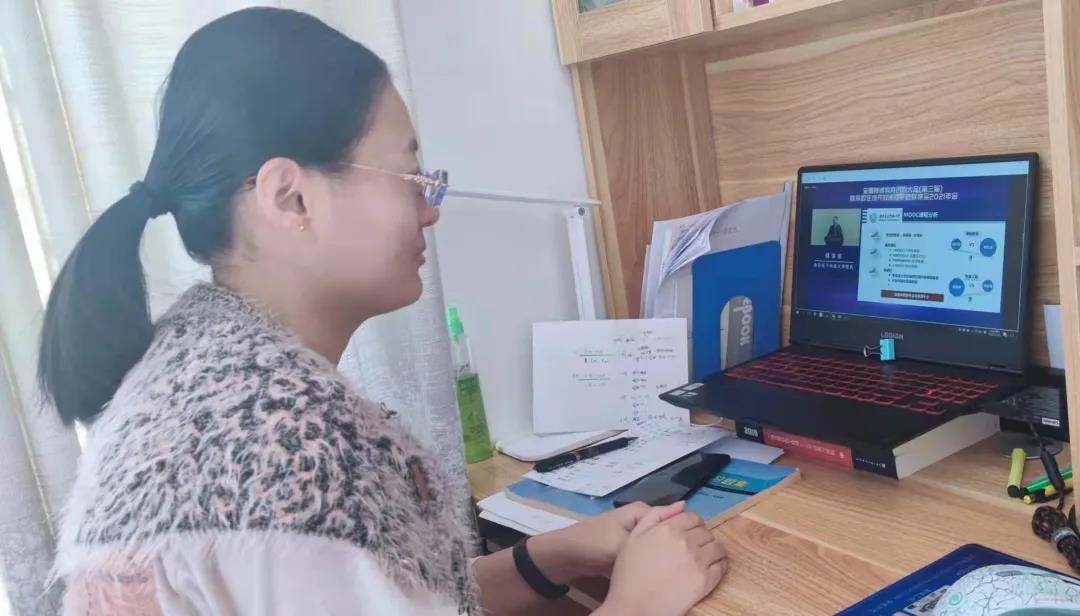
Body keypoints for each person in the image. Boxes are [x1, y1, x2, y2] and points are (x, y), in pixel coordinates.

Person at [39, 9, 727, 615]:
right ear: (290, 198)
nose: (430, 210)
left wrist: (551, 555)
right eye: (412, 177)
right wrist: (638, 603)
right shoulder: (289, 443)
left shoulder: (209, 376)